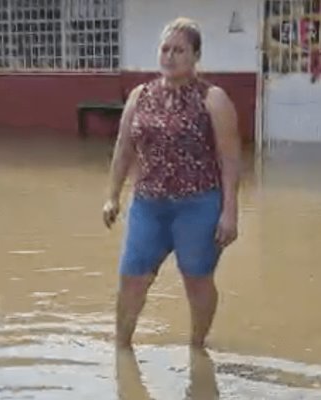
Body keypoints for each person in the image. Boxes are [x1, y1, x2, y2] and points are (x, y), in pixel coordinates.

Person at [103, 17, 241, 350]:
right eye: (165, 49)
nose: (170, 56)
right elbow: (123, 149)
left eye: (179, 50)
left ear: (195, 56)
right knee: (132, 278)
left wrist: (230, 213)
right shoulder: (140, 96)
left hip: (198, 205)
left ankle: (197, 347)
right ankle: (121, 349)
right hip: (148, 205)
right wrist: (112, 197)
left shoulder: (213, 99)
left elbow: (231, 158)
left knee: (197, 279)